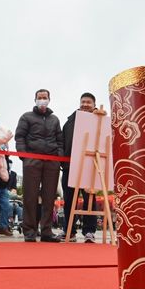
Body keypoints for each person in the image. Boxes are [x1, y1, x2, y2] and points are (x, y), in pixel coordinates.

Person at [15, 89, 64, 242]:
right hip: (32, 161)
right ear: (35, 99)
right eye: (40, 97)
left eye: (45, 97)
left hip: (51, 162)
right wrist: (25, 157)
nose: (42, 100)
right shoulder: (26, 117)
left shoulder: (54, 119)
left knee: (49, 197)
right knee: (30, 196)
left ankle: (47, 232)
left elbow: (59, 140)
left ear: (49, 99)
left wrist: (59, 158)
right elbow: (20, 137)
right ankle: (29, 231)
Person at [60, 92, 102, 243]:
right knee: (69, 199)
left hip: (90, 166)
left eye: (88, 102)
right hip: (69, 166)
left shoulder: (100, 119)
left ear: (94, 104)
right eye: (83, 101)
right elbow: (62, 142)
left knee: (89, 199)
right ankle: (69, 231)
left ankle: (89, 231)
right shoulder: (70, 121)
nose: (85, 104)